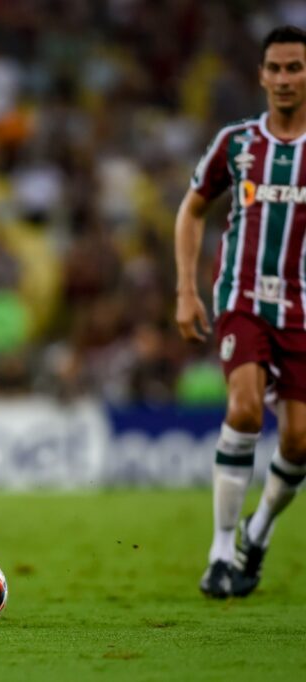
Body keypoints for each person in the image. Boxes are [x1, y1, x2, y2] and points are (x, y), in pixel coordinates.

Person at [175, 25, 306, 598]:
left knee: (299, 442)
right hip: (242, 300)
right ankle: (220, 553)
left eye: (295, 68)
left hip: (301, 307)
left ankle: (258, 531)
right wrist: (186, 289)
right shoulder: (237, 143)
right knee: (247, 409)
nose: (284, 79)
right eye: (275, 68)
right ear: (260, 74)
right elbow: (192, 210)